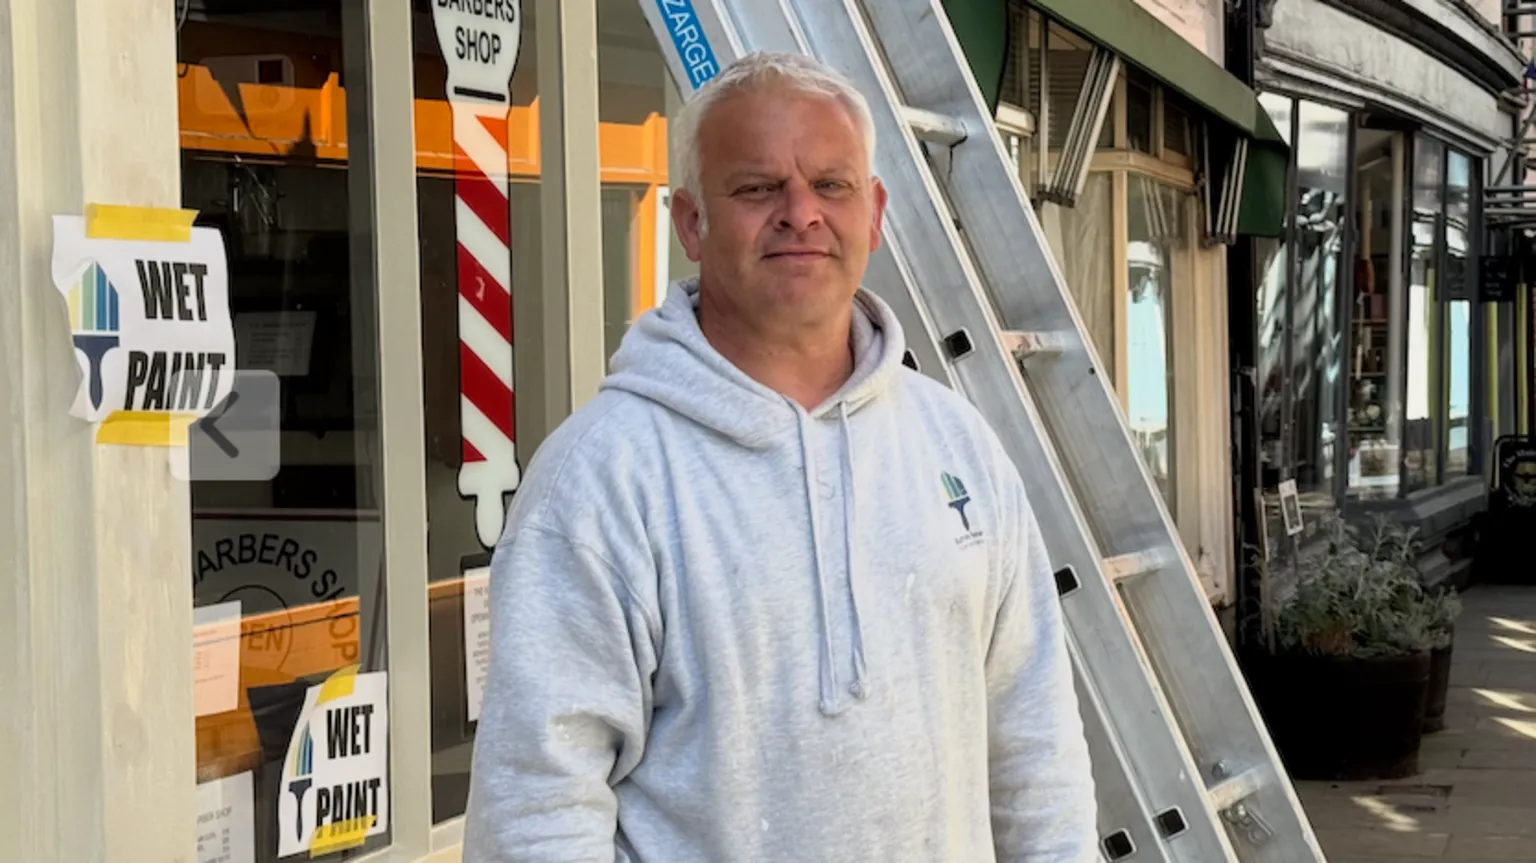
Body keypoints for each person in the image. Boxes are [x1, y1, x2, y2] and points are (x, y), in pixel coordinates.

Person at [462, 50, 1098, 862]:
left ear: (872, 214)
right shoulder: (601, 477)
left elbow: (1035, 748)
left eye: (830, 185)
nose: (800, 212)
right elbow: (537, 810)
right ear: (691, 223)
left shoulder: (958, 445)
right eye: (757, 187)